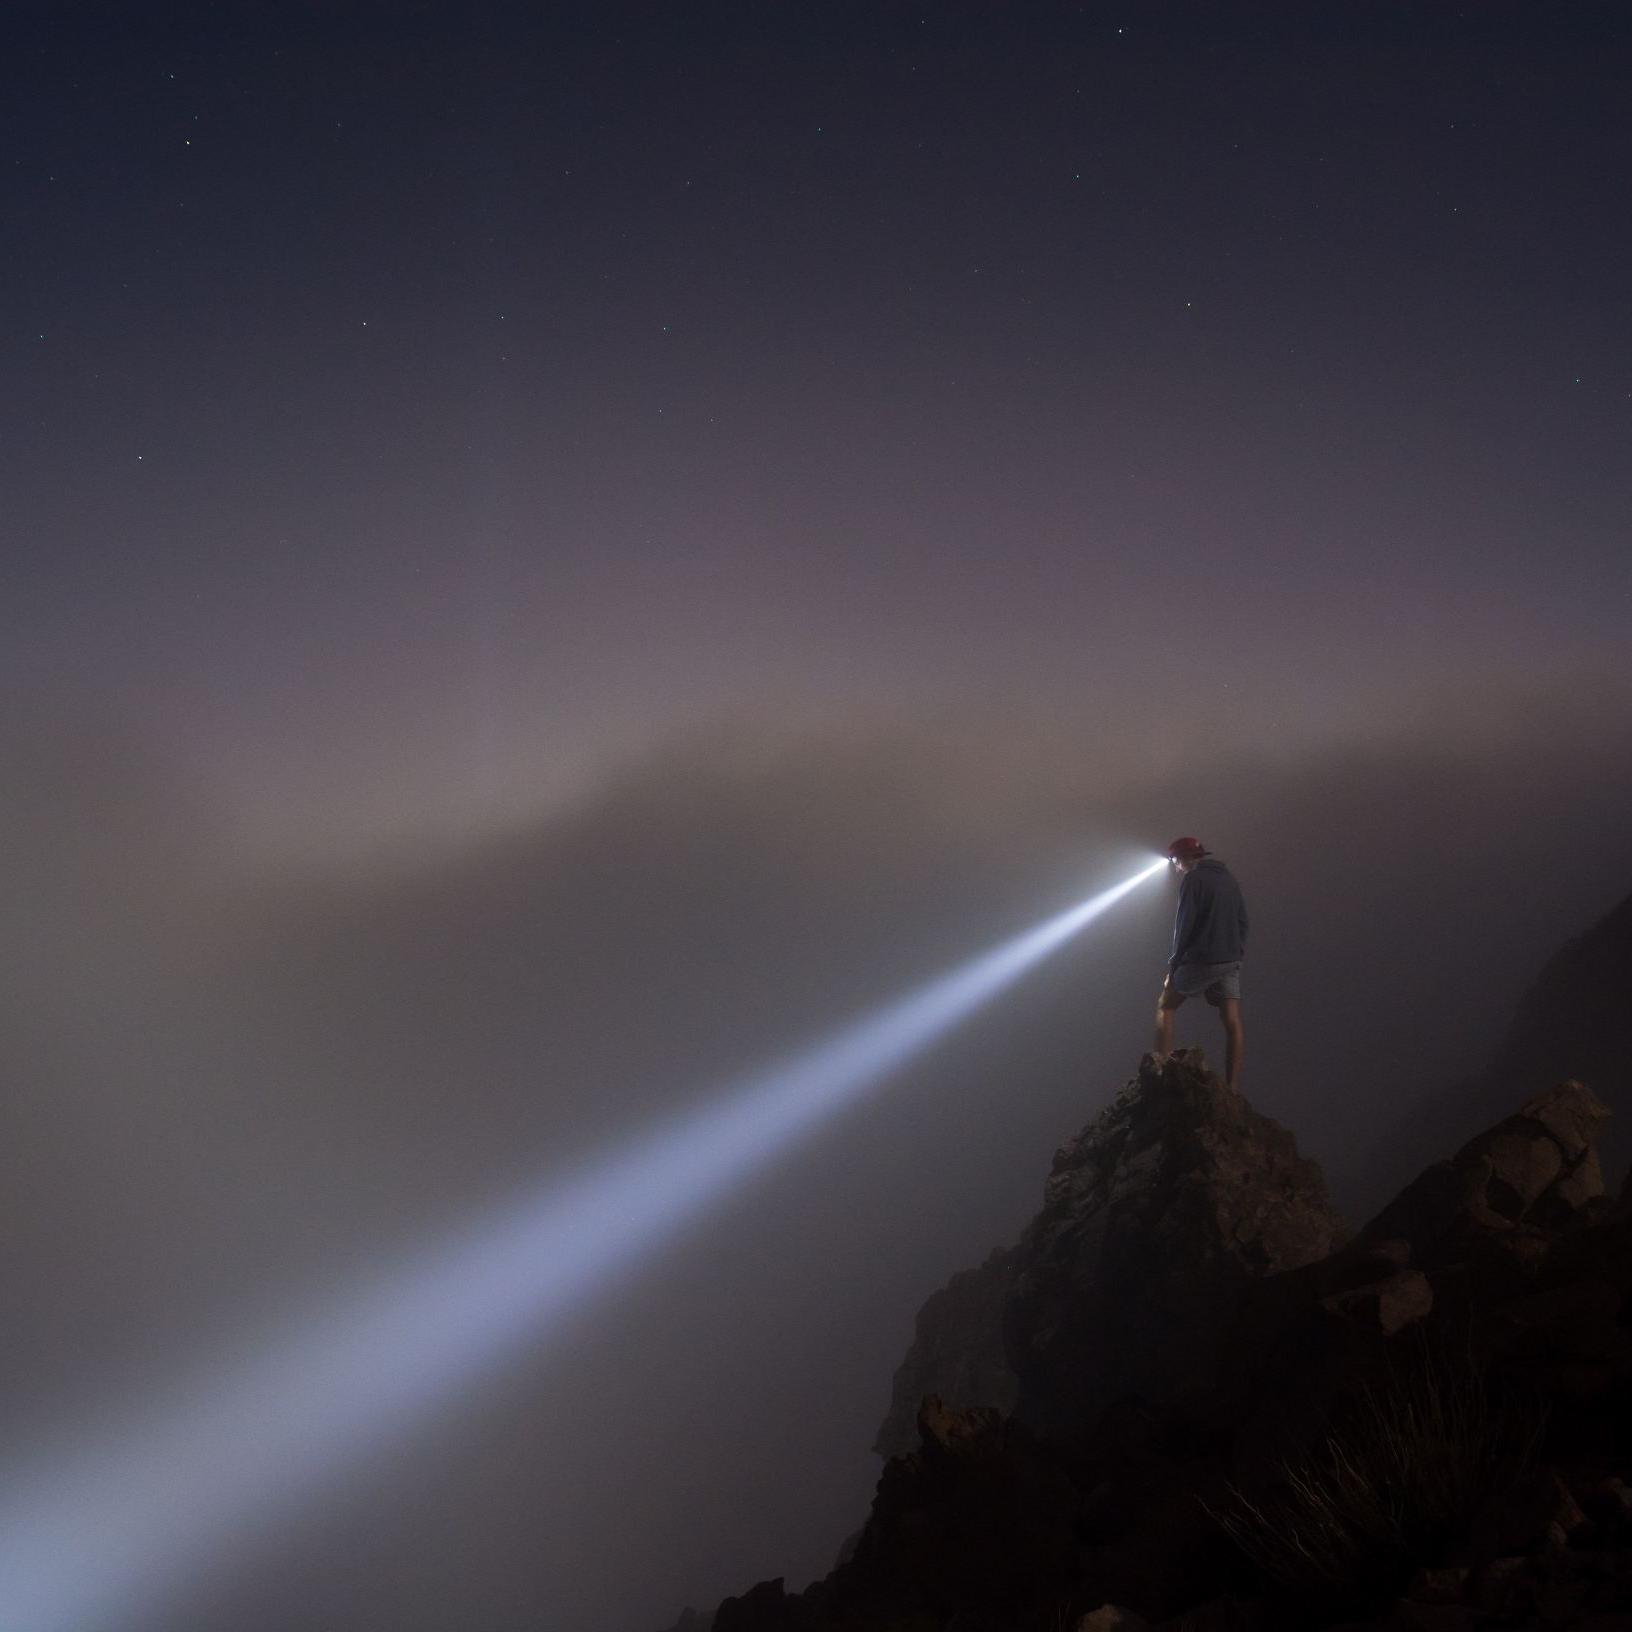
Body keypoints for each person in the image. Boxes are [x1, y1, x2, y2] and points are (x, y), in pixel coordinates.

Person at [1155, 836, 1248, 1092]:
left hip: (1203, 959)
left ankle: (1160, 1070)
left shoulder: (1193, 880)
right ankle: (1232, 1087)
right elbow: (1243, 920)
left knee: (1165, 1005)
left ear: (1185, 858)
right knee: (1232, 1021)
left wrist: (1174, 964)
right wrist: (1236, 952)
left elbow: (1184, 926)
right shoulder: (1228, 878)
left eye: (1175, 861)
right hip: (1230, 959)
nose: (1175, 867)